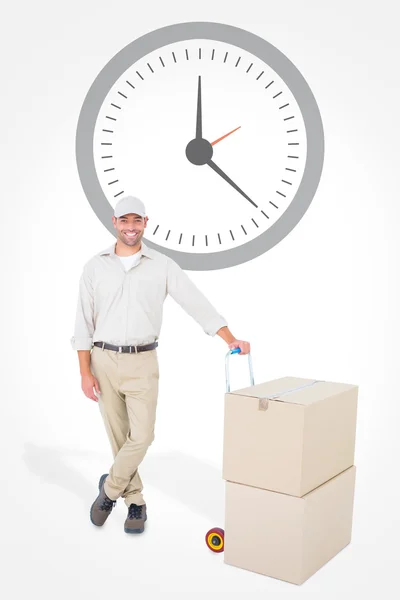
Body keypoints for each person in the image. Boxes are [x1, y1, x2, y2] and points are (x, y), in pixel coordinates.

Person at [70, 195, 251, 534]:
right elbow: (83, 323)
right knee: (118, 436)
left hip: (143, 361)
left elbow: (196, 303)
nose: (130, 227)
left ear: (145, 223)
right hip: (103, 359)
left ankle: (109, 489)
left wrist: (230, 338)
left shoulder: (162, 265)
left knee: (141, 435)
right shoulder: (95, 266)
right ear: (115, 223)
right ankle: (135, 501)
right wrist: (84, 371)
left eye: (136, 221)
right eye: (124, 221)